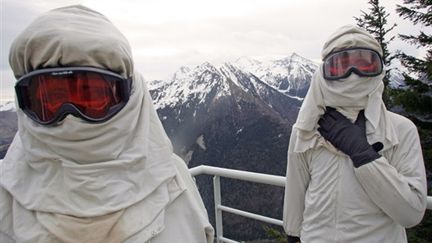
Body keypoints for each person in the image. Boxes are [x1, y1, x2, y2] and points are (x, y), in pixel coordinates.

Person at [0, 5, 214, 243]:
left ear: (129, 96)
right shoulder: (173, 177)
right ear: (25, 103)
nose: (70, 117)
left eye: (91, 96)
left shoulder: (175, 177)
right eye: (50, 99)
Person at [283, 25, 427, 243]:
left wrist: (363, 155)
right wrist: (293, 235)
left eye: (364, 64)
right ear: (324, 72)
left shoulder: (400, 131)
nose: (352, 75)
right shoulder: (307, 129)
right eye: (340, 66)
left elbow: (411, 213)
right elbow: (296, 193)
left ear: (378, 68)